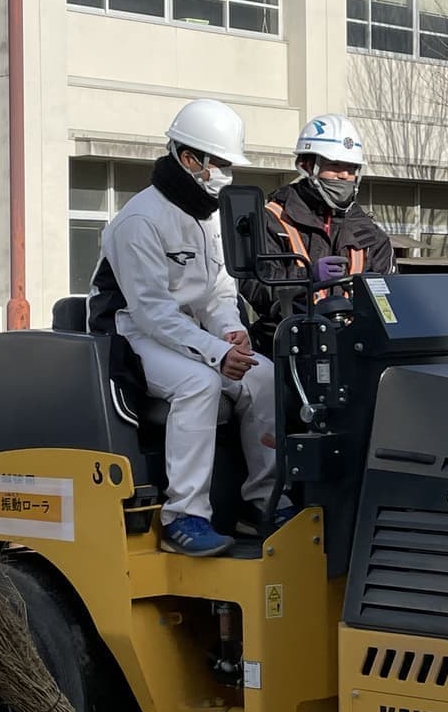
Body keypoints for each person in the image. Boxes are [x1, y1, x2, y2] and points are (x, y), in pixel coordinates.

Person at [88, 99, 291, 557]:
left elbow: (217, 291)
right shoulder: (139, 220)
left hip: (186, 331)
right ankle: (184, 516)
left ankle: (261, 502)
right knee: (199, 384)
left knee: (262, 376)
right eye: (218, 163)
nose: (225, 174)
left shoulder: (210, 217)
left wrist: (231, 331)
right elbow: (151, 313)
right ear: (188, 158)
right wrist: (216, 354)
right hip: (130, 336)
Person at [242, 114, 394, 353]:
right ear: (306, 166)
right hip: (286, 348)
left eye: (351, 168)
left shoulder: (371, 234)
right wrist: (307, 276)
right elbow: (255, 287)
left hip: (355, 349)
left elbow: (389, 298)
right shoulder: (271, 219)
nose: (344, 175)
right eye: (334, 165)